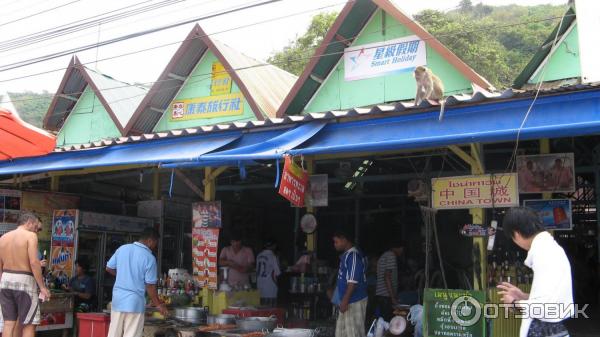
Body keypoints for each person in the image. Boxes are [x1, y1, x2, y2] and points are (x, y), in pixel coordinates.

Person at [497, 207, 572, 337]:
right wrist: (524, 296)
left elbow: (545, 308)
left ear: (516, 234)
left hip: (544, 330)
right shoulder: (551, 249)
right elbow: (552, 298)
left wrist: (514, 303)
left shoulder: (543, 254)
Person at [105, 228, 168, 337]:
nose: (155, 246)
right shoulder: (150, 258)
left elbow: (109, 268)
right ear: (150, 241)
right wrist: (158, 305)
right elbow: (150, 286)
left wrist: (122, 275)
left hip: (118, 300)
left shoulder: (122, 249)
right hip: (135, 303)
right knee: (131, 334)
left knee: (114, 333)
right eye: (155, 243)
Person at [0, 212, 51, 337]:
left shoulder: (3, 237)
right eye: (36, 228)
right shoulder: (30, 236)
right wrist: (43, 287)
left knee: (8, 323)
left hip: (5, 279)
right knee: (29, 324)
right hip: (24, 280)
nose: (36, 231)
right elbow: (34, 262)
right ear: (29, 222)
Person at [333, 231, 368, 337]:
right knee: (343, 333)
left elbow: (352, 282)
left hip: (353, 301)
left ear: (344, 240)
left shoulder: (353, 256)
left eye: (336, 241)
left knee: (353, 333)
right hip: (347, 302)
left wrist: (345, 301)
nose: (335, 244)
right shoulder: (347, 256)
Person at [375, 241, 404, 321]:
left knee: (383, 322)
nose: (402, 252)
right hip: (386, 296)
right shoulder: (391, 256)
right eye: (402, 249)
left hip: (382, 295)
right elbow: (387, 277)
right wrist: (393, 298)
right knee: (388, 322)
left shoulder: (384, 255)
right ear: (400, 248)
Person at [256, 239, 281, 307]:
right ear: (274, 246)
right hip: (270, 287)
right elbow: (278, 272)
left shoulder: (259, 255)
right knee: (270, 310)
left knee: (262, 309)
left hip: (260, 285)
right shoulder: (272, 256)